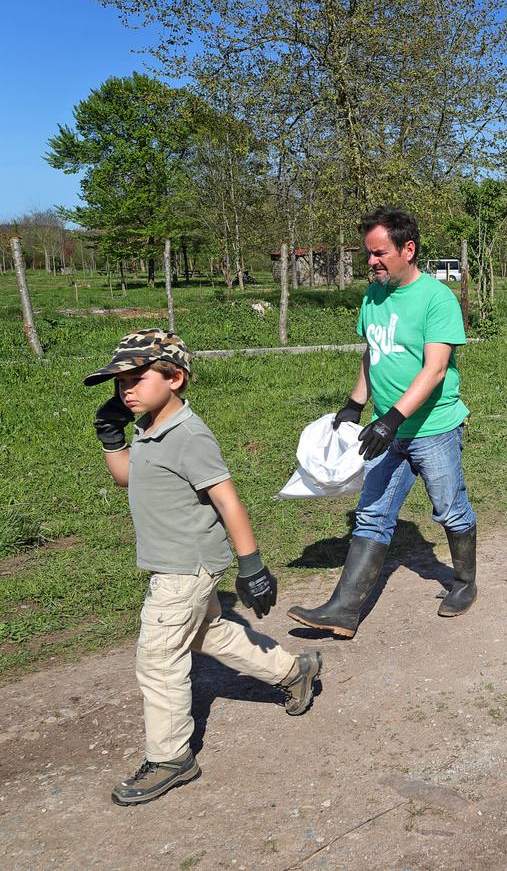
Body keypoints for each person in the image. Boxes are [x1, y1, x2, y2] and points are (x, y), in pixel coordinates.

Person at [86, 330, 321, 806]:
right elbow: (127, 479)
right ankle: (293, 671)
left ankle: (172, 758)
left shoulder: (189, 435)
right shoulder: (149, 428)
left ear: (175, 377)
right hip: (175, 562)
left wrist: (252, 564)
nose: (125, 389)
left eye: (136, 377)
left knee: (158, 658)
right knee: (206, 633)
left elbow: (227, 499)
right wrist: (111, 437)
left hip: (184, 567)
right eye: (118, 382)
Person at [289, 207, 478, 637]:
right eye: (368, 254)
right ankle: (343, 609)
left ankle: (464, 582)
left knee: (449, 508)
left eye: (379, 253)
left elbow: (434, 370)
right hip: (385, 430)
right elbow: (373, 352)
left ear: (407, 250)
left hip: (434, 429)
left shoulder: (437, 299)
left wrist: (391, 418)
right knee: (371, 514)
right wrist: (356, 403)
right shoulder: (373, 296)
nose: (371, 262)